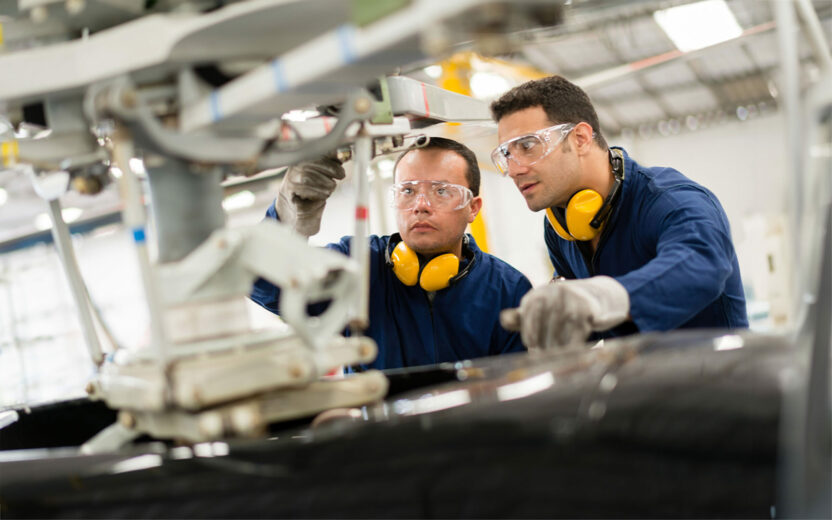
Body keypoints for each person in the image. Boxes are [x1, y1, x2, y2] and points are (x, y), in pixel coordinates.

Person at [490, 75, 748, 350]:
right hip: (639, 385)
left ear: (580, 138)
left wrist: (602, 298)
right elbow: (589, 321)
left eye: (528, 146)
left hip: (721, 381)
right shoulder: (559, 226)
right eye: (507, 154)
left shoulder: (668, 200)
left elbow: (703, 264)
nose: (515, 169)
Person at [250, 137, 532, 370]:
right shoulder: (358, 264)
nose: (420, 205)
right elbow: (263, 283)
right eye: (407, 190)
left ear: (473, 207)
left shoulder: (507, 290)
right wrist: (288, 214)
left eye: (442, 191)